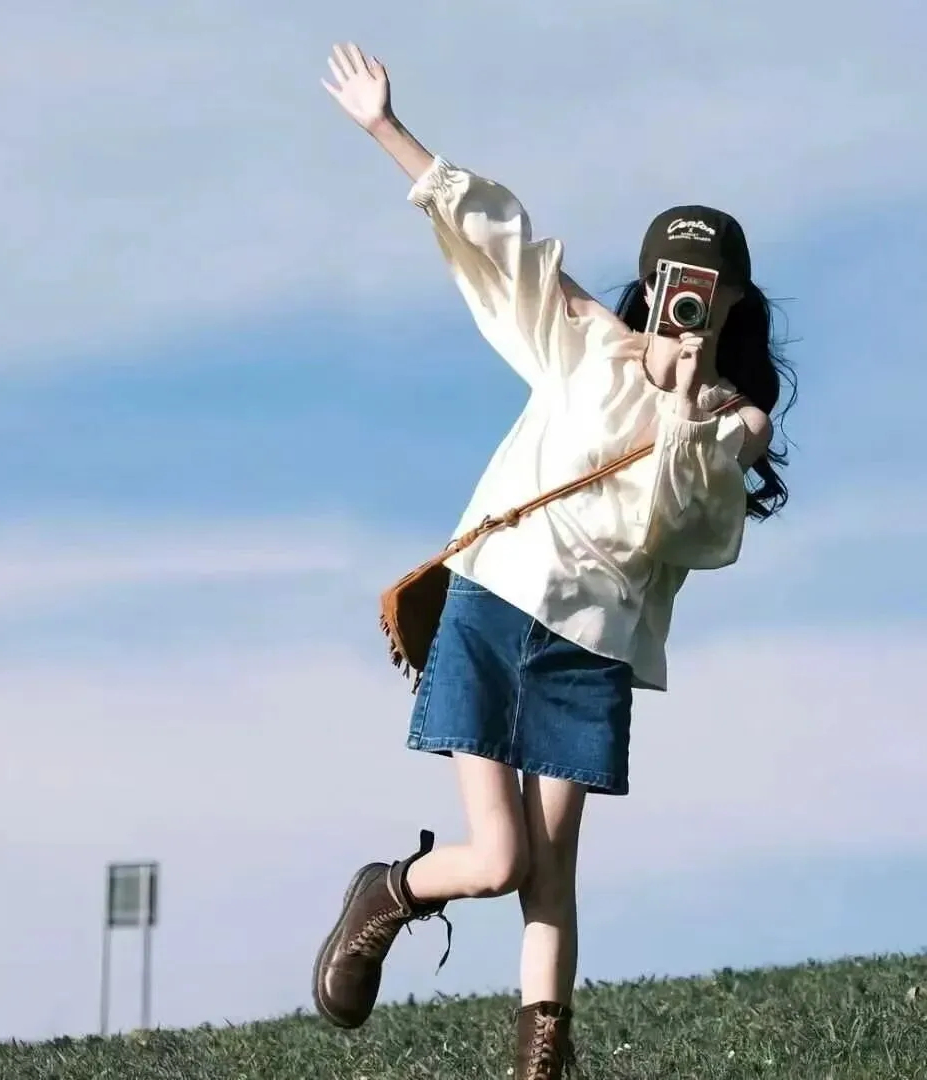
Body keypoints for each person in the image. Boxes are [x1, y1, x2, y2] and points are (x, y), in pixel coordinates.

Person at [312, 42, 795, 1080]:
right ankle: (386, 895)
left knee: (552, 873)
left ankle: (542, 1062)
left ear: (733, 303)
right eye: (675, 282)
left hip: (592, 646)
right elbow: (502, 241)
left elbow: (684, 522)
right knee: (497, 859)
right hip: (496, 601)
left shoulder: (732, 423)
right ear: (654, 283)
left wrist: (686, 399)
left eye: (709, 291)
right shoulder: (583, 342)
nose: (687, 303)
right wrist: (388, 129)